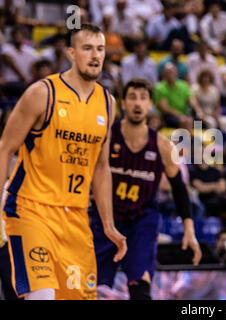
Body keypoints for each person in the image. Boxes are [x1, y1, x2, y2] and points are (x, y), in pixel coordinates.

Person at [0, 23, 127, 300]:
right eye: (87, 49)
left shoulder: (108, 103)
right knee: (42, 296)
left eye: (100, 49)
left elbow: (102, 167)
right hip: (30, 209)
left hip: (76, 217)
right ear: (71, 53)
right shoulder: (41, 93)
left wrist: (108, 224)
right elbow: (5, 148)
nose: (95, 56)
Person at [90, 78, 202, 300]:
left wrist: (189, 230)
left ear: (150, 104)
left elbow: (179, 189)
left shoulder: (162, 145)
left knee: (140, 288)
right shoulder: (105, 136)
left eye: (143, 98)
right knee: (93, 289)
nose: (137, 104)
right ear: (123, 103)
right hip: (106, 217)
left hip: (141, 220)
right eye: (132, 97)